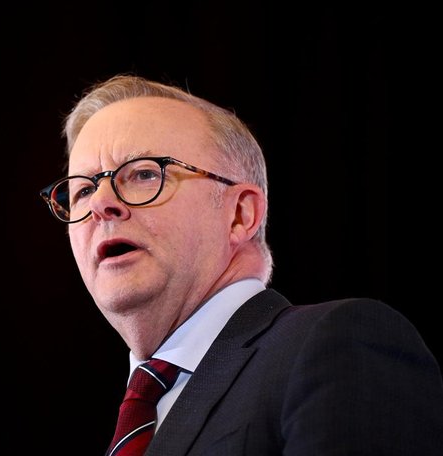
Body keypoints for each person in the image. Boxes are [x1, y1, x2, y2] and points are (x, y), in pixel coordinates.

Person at [39, 74, 443, 455]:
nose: (100, 204)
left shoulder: (339, 344)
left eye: (144, 173)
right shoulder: (135, 413)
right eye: (82, 190)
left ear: (239, 215)